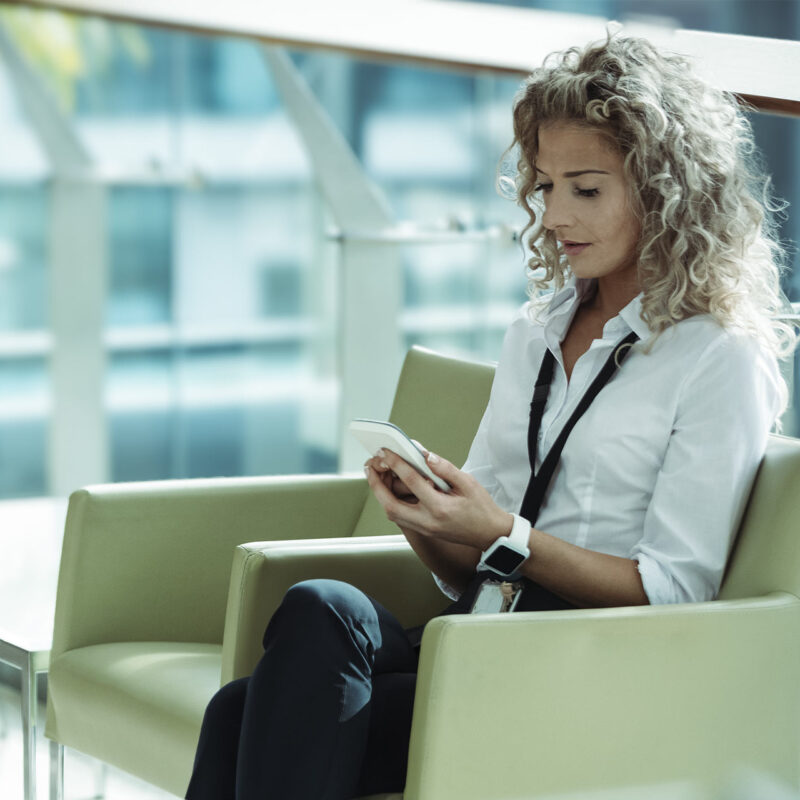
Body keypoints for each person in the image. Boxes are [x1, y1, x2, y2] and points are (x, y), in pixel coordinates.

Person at [185, 32, 794, 800]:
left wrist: (502, 534)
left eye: (586, 188)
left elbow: (675, 592)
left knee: (242, 712)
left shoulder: (716, 357)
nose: (558, 215)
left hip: (577, 670)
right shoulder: (535, 331)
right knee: (318, 607)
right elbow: (473, 566)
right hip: (480, 638)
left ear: (664, 189)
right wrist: (430, 520)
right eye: (544, 187)